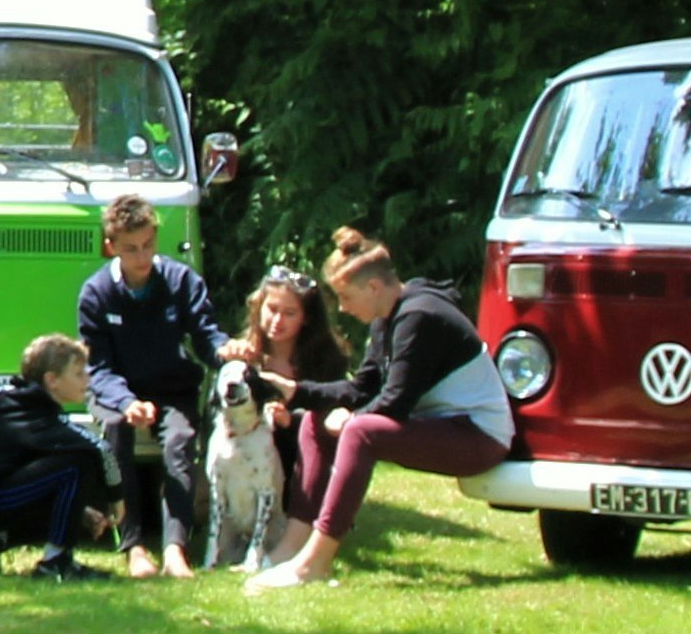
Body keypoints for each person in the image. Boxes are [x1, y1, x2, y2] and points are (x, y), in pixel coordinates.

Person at [254, 239, 517, 589]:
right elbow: (363, 388)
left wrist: (350, 418)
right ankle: (292, 548)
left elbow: (394, 402)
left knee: (361, 431)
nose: (343, 309)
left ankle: (314, 564)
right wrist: (297, 391)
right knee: (318, 420)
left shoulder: (418, 317)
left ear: (374, 287)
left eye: (346, 298)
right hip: (443, 424)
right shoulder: (386, 317)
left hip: (479, 437)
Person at [72, 192, 224, 579]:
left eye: (148, 246)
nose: (142, 257)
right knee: (116, 435)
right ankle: (134, 546)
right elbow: (98, 368)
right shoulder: (96, 293)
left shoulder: (180, 280)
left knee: (178, 442)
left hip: (172, 389)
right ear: (111, 248)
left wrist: (227, 351)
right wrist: (125, 403)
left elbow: (206, 337)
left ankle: (176, 549)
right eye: (131, 249)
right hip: (116, 392)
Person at [0, 334, 117, 577]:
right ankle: (56, 562)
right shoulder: (35, 414)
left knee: (66, 487)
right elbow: (101, 449)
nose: (87, 380)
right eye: (78, 373)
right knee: (77, 463)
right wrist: (117, 499)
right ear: (52, 380)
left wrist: (81, 512)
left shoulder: (22, 406)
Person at [227, 264, 351, 518]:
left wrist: (292, 420)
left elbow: (332, 416)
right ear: (259, 307)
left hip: (301, 455)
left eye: (289, 313)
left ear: (306, 317)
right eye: (272, 309)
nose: (277, 321)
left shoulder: (328, 360)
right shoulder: (245, 358)